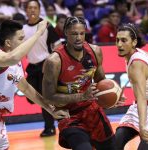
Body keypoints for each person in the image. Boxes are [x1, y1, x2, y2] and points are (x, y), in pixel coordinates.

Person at [0, 19, 69, 150]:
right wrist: (39, 32)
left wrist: (51, 110)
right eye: (20, 39)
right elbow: (13, 57)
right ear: (8, 43)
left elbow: (27, 89)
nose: (24, 42)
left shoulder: (17, 66)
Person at [42, 16, 116, 150]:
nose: (79, 38)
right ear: (66, 33)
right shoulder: (54, 61)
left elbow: (101, 81)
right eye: (74, 34)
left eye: (82, 33)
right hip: (69, 115)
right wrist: (80, 96)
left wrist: (114, 94)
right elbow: (48, 97)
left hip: (92, 110)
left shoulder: (95, 51)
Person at [23, 0, 61, 137]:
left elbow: (57, 45)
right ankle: (57, 114)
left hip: (45, 65)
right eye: (30, 8)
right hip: (32, 68)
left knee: (45, 99)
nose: (32, 10)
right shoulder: (22, 29)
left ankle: (49, 128)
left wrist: (51, 62)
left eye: (35, 8)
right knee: (31, 97)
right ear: (26, 11)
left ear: (39, 10)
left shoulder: (46, 25)